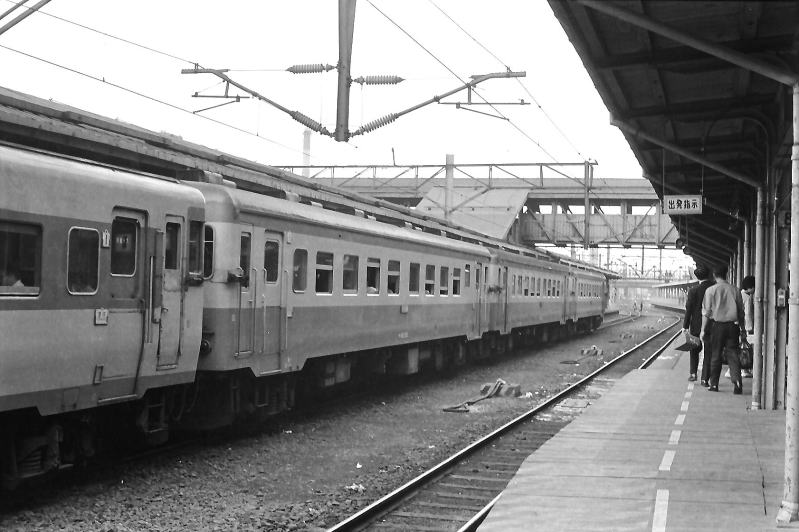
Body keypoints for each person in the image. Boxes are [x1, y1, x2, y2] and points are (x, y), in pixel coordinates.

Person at [700, 265, 746, 394]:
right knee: (733, 354)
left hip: (717, 326)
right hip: (733, 326)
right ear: (726, 274)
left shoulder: (710, 290)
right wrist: (742, 330)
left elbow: (707, 313)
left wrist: (703, 330)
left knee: (716, 354)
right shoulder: (735, 290)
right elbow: (741, 312)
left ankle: (714, 384)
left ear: (714, 275)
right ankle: (737, 382)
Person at [682, 265, 714, 385]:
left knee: (694, 350)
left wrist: (685, 326)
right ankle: (705, 379)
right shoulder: (714, 288)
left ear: (697, 276)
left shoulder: (693, 290)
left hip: (695, 325)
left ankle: (693, 373)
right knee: (708, 352)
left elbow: (688, 309)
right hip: (711, 324)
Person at [740, 275, 755, 378]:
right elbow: (748, 314)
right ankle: (745, 370)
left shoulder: (739, 294)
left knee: (739, 348)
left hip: (737, 325)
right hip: (745, 326)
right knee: (746, 350)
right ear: (751, 287)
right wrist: (749, 328)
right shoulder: (748, 297)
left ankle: (732, 370)